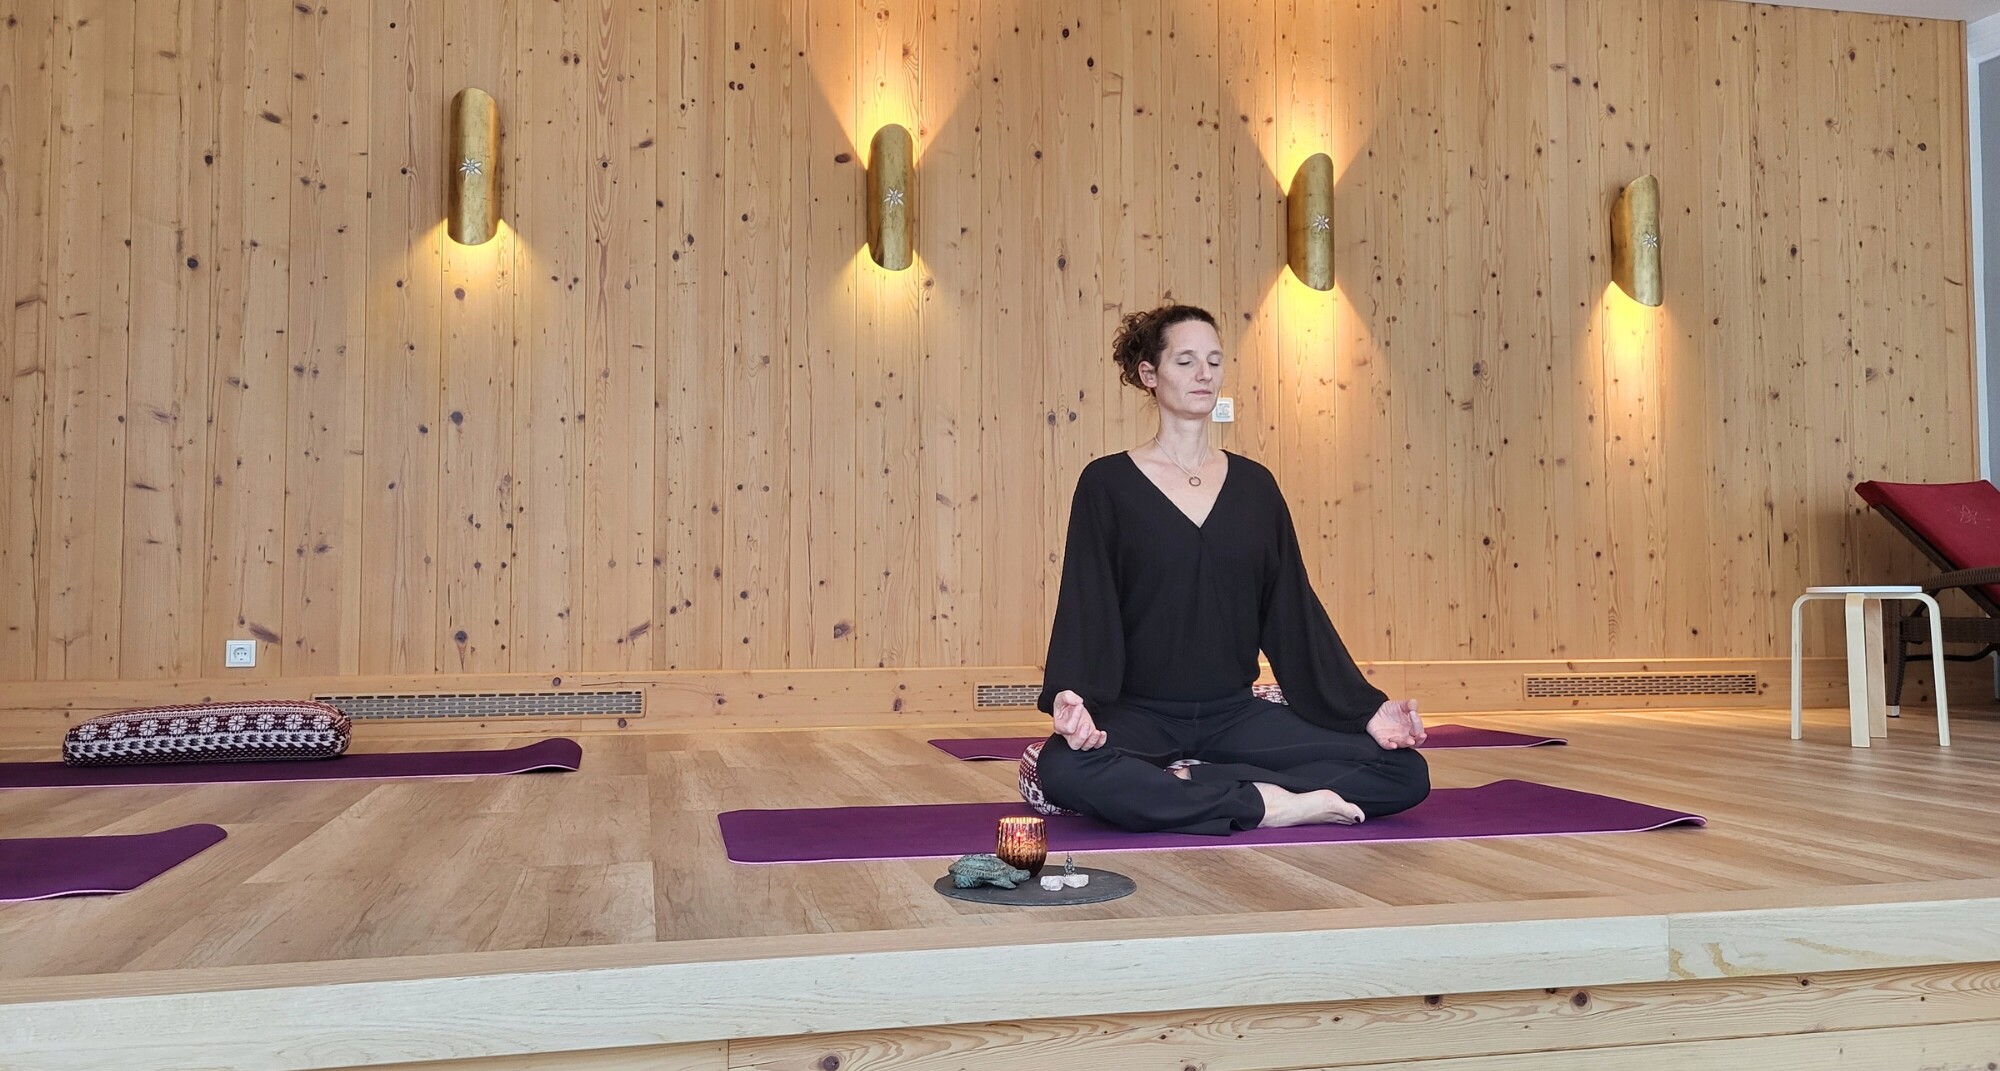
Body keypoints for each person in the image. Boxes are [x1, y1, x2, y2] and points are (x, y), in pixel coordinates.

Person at [1035, 304, 1431, 835]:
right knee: (1064, 767)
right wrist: (1072, 695)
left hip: (1235, 716)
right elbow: (1087, 603)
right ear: (1149, 375)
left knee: (1403, 770)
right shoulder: (1107, 484)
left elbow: (1293, 611)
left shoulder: (1255, 487)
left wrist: (1366, 711)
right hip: (1141, 716)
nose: (1205, 375)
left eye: (1215, 361)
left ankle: (1205, 784)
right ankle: (1267, 804)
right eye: (1186, 361)